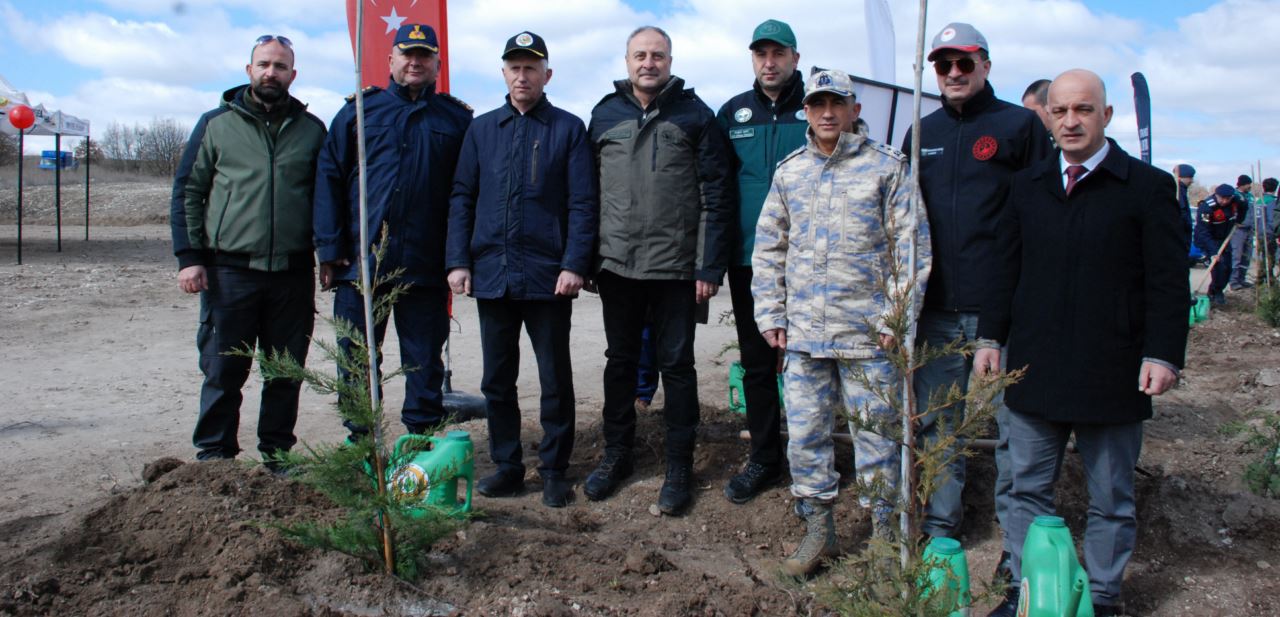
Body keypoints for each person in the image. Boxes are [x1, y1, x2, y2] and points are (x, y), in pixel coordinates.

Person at [975, 69, 1189, 617]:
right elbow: (1005, 269)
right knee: (1025, 490)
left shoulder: (1146, 187)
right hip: (1035, 367)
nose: (1070, 121)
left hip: (1112, 370)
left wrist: (1162, 353)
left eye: (1084, 110)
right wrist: (991, 337)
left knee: (1111, 499)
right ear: (1047, 116)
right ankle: (1026, 593)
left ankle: (1102, 597)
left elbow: (1167, 280)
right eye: (1060, 110)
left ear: (1106, 116)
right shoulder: (1027, 186)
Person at [753, 68, 931, 576]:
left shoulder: (887, 168)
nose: (827, 113)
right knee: (806, 437)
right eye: (817, 104)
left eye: (837, 103)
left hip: (868, 336)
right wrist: (770, 313)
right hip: (805, 335)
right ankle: (819, 531)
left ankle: (882, 540)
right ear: (805, 111)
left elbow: (911, 249)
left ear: (855, 110)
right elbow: (769, 247)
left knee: (878, 439)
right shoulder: (790, 172)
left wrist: (896, 318)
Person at [901, 22, 1051, 580]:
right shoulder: (923, 129)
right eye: (944, 65)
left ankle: (1017, 549)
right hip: (937, 310)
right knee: (940, 424)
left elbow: (1041, 217)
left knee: (1018, 430)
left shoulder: (1018, 127)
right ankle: (942, 533)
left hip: (1007, 311)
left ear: (986, 65)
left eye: (965, 63)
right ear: (934, 71)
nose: (955, 74)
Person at [584, 25, 733, 515]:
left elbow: (716, 195)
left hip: (675, 271)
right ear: (627, 61)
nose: (649, 63)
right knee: (620, 363)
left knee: (678, 368)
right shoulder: (604, 115)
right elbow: (588, 195)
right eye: (640, 55)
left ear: (671, 60)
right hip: (618, 268)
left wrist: (708, 265)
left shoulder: (696, 116)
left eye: (658, 56)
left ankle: (679, 467)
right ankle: (617, 455)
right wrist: (588, 260)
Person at [445, 31, 597, 508]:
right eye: (514, 66)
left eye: (531, 67)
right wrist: (457, 260)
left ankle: (554, 469)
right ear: (504, 73)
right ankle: (509, 466)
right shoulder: (482, 130)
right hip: (493, 274)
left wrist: (575, 263)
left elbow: (583, 203)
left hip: (548, 277)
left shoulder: (568, 129)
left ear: (546, 74)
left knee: (554, 377)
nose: (522, 75)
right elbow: (462, 197)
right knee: (497, 380)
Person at [171, 35, 326, 466]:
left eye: (280, 66)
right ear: (249, 70)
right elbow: (189, 191)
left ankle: (278, 455)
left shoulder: (311, 131)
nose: (271, 73)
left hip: (292, 274)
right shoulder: (216, 125)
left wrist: (328, 253)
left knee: (284, 373)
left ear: (292, 75)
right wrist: (190, 257)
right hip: (229, 272)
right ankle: (215, 455)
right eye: (264, 65)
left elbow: (325, 197)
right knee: (224, 370)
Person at [313, 24, 473, 440]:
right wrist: (330, 248)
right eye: (407, 54)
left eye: (424, 55)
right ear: (391, 60)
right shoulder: (359, 112)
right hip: (360, 266)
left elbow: (466, 193)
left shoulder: (456, 119)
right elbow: (329, 178)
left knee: (423, 361)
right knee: (357, 360)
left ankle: (419, 443)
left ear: (437, 62)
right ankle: (364, 444)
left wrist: (459, 257)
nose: (415, 62)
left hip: (424, 265)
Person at [714, 18, 809, 505]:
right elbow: (716, 188)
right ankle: (765, 459)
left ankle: (813, 463)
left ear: (795, 58)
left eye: (778, 54)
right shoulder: (733, 113)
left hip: (811, 264)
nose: (769, 63)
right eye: (761, 54)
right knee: (756, 364)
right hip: (751, 262)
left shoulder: (818, 109)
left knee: (810, 363)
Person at [1195, 184, 1246, 305]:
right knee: (1219, 267)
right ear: (1216, 195)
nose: (1224, 201)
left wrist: (1239, 220)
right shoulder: (1207, 208)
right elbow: (1204, 232)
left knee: (1228, 268)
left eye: (1227, 198)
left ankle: (1217, 290)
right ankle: (1215, 293)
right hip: (1208, 239)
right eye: (1222, 198)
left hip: (1224, 239)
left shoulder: (1236, 201)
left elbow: (1244, 206)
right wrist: (1213, 252)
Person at [1229, 174, 1256, 290]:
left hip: (1249, 229)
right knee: (1236, 256)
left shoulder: (1250, 196)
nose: (1250, 186)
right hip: (1238, 229)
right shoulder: (1234, 195)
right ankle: (1233, 281)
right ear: (1243, 184)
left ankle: (1242, 278)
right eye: (1248, 184)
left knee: (1246, 256)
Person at [1175, 164, 1205, 265]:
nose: (1191, 181)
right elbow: (1182, 213)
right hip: (1180, 235)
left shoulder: (1182, 190)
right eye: (1190, 178)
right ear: (1182, 177)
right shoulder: (1177, 191)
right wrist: (1186, 225)